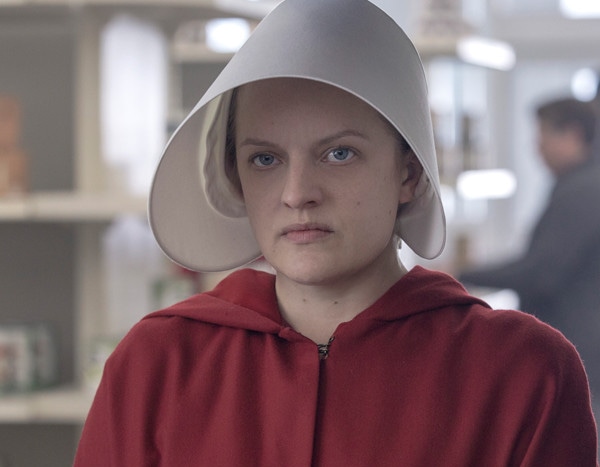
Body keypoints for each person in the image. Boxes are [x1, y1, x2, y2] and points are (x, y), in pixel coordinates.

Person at [74, 0, 599, 465]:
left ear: (409, 173)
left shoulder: (523, 372)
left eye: (339, 153)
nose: (297, 193)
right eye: (264, 159)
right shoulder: (158, 362)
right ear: (235, 178)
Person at [459, 97, 600, 420]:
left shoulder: (583, 191)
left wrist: (464, 273)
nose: (537, 148)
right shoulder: (578, 186)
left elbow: (542, 272)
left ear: (573, 134)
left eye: (543, 137)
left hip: (581, 350)